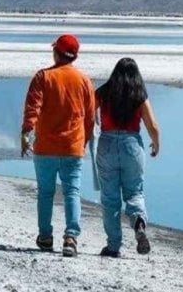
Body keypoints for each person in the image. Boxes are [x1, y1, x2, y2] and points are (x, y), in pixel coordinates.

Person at [21, 33, 97, 257]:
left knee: (45, 193)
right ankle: (71, 237)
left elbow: (32, 108)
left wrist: (26, 133)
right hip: (72, 147)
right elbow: (90, 118)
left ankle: (45, 237)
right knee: (72, 192)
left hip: (45, 147)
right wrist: (83, 141)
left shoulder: (43, 77)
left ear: (57, 52)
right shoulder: (84, 81)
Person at [93, 57, 161, 257]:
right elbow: (152, 125)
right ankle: (139, 222)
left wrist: (87, 135)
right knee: (134, 193)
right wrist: (156, 144)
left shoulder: (103, 92)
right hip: (132, 145)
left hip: (106, 144)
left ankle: (114, 246)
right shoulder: (139, 95)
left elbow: (87, 115)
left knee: (110, 198)